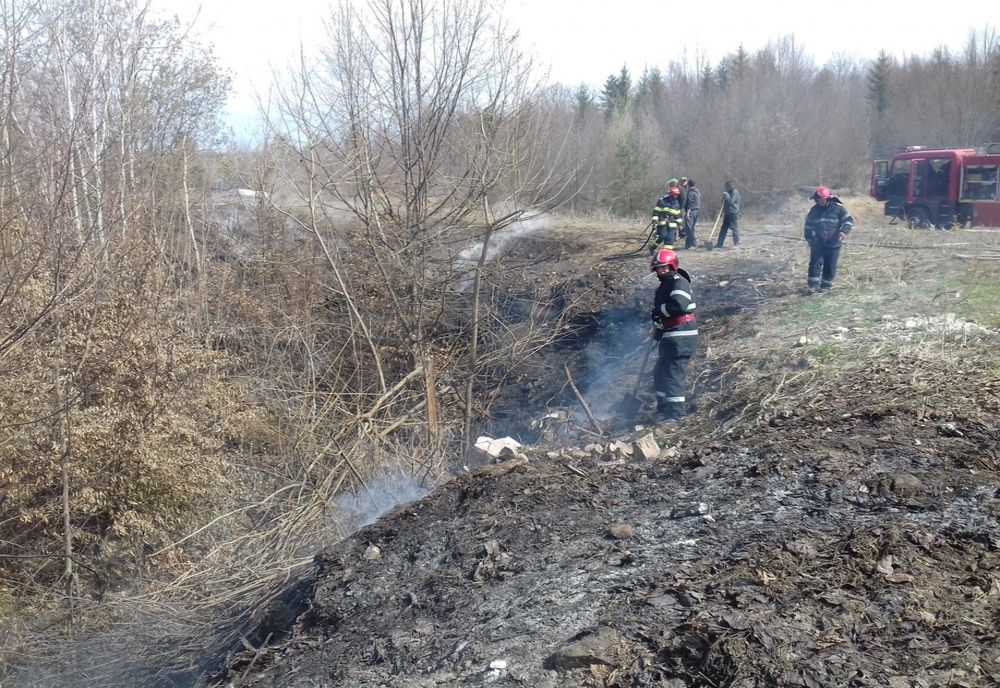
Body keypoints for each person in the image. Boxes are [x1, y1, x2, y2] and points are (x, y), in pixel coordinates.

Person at [649, 248, 699, 422]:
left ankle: (676, 414)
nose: (661, 271)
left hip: (682, 336)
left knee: (672, 374)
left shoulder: (679, 282)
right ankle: (663, 410)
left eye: (664, 267)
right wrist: (657, 332)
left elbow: (678, 306)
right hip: (671, 336)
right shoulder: (664, 286)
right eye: (658, 268)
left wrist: (658, 311)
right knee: (660, 372)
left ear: (672, 265)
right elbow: (663, 315)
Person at [804, 186, 853, 293]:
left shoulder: (838, 208)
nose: (819, 201)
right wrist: (809, 238)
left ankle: (825, 286)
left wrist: (844, 231)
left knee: (830, 264)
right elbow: (808, 225)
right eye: (817, 199)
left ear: (828, 198)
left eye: (821, 199)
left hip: (834, 242)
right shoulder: (814, 210)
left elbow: (848, 220)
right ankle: (812, 286)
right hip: (818, 242)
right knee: (815, 263)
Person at [651, 180, 683, 251]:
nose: (676, 196)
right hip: (663, 224)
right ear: (671, 194)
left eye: (677, 195)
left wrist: (680, 226)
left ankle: (666, 253)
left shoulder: (676, 203)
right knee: (662, 236)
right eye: (675, 194)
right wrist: (654, 220)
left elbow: (678, 216)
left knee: (670, 239)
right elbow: (656, 211)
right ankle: (652, 247)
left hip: (672, 225)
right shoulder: (662, 201)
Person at [716, 180, 741, 248]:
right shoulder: (727, 192)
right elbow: (724, 203)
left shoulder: (734, 192)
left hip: (733, 213)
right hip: (727, 213)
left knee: (734, 228)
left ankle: (737, 243)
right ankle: (719, 243)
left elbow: (730, 201)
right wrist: (721, 212)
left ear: (731, 186)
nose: (726, 188)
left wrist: (727, 196)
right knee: (723, 229)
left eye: (727, 186)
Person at [683, 179, 700, 249]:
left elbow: (690, 204)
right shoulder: (697, 192)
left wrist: (687, 213)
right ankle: (688, 245)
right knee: (692, 228)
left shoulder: (690, 193)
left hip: (691, 212)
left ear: (689, 185)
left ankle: (694, 244)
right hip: (697, 211)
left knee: (689, 229)